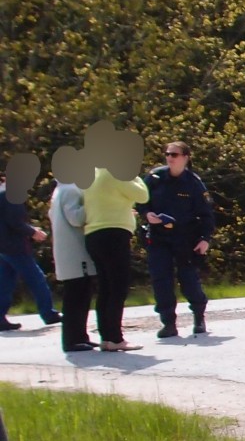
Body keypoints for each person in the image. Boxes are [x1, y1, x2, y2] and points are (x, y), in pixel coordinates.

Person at [139, 141, 215, 338]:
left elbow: (207, 214)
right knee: (160, 279)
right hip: (158, 236)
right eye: (167, 154)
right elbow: (140, 201)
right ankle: (168, 322)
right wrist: (147, 215)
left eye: (174, 154)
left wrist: (205, 239)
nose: (170, 158)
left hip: (185, 237)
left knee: (188, 278)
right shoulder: (155, 178)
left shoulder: (193, 183)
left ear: (185, 158)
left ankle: (199, 316)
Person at [82, 130, 149, 352]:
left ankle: (107, 337)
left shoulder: (94, 173)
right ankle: (116, 338)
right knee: (118, 287)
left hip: (94, 235)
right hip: (113, 234)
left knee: (106, 288)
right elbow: (143, 195)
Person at [0, 154, 63, 332]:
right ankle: (48, 313)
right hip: (15, 246)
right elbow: (15, 222)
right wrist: (33, 232)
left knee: (5, 282)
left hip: (4, 246)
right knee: (37, 279)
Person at [48, 180, 98, 351]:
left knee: (79, 297)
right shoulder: (70, 190)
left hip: (68, 252)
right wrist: (95, 204)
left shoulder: (60, 190)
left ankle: (80, 336)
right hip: (75, 252)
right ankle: (72, 340)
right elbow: (76, 218)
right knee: (76, 298)